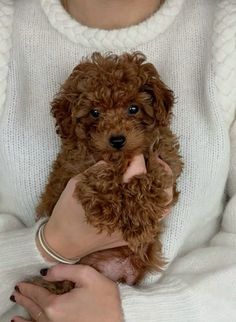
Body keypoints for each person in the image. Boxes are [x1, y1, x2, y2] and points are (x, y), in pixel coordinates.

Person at [0, 0, 235, 321]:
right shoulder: (7, 26)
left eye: (133, 110)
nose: (115, 129)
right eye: (95, 114)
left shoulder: (226, 32)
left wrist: (134, 313)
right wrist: (50, 244)